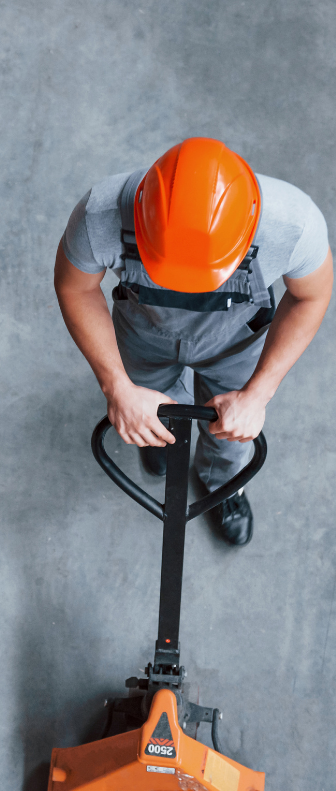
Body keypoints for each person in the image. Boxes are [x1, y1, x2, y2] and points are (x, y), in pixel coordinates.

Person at [54, 137, 332, 546]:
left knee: (232, 431)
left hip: (235, 343)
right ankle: (158, 433)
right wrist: (118, 387)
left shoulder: (292, 224)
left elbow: (313, 295)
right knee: (152, 407)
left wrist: (258, 394)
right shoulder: (101, 214)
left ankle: (224, 484)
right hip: (143, 333)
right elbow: (74, 288)